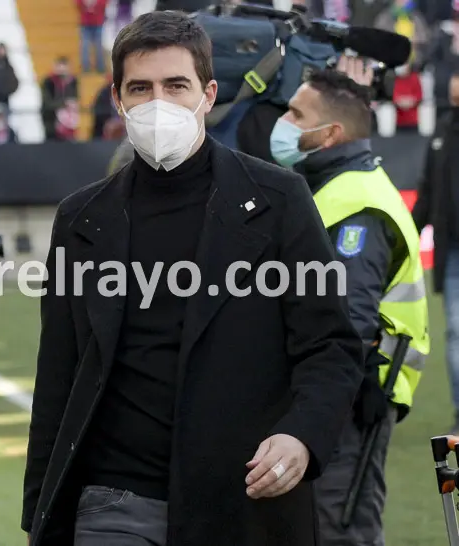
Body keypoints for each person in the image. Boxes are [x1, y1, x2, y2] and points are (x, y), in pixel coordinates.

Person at [22, 11, 363, 546]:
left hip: (240, 497)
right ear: (117, 98)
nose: (159, 103)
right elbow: (58, 372)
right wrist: (39, 516)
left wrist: (302, 436)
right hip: (112, 499)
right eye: (141, 88)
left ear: (207, 94)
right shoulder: (81, 218)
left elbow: (332, 346)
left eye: (175, 85)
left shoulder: (279, 201)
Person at [270, 63, 430, 545]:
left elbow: (350, 316)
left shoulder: (356, 202)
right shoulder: (337, 186)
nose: (284, 123)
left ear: (330, 133)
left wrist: (340, 388)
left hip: (350, 398)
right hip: (337, 394)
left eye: (297, 115)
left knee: (339, 531)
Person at [412, 71, 459, 432]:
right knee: (456, 332)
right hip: (452, 250)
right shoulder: (443, 131)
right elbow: (427, 191)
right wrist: (408, 237)